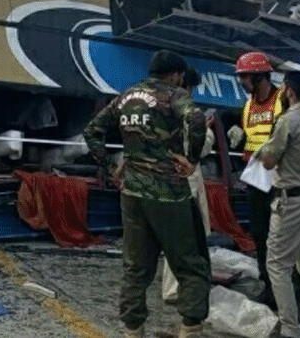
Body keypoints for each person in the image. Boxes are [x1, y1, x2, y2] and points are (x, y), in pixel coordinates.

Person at [84, 50, 211, 338]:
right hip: (168, 193)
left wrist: (109, 165)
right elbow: (197, 119)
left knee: (136, 266)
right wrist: (191, 159)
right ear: (177, 74)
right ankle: (190, 328)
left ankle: (133, 330)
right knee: (190, 264)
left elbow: (92, 130)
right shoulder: (173, 95)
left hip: (131, 193)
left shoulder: (126, 96)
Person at [255, 71, 300, 338]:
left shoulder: (287, 122)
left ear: (289, 91)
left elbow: (269, 162)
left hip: (291, 201)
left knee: (277, 264)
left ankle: (290, 328)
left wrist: (262, 150)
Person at [233, 51, 286, 306]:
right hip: (256, 180)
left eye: (244, 77)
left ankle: (283, 287)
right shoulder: (248, 105)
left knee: (280, 235)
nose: (241, 82)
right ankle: (268, 284)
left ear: (259, 77)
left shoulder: (282, 100)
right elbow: (250, 139)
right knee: (259, 233)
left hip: (280, 179)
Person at [161, 67, 214, 305]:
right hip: (185, 178)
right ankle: (176, 289)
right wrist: (208, 129)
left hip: (162, 177)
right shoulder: (189, 111)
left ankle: (180, 285)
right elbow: (201, 146)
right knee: (185, 239)